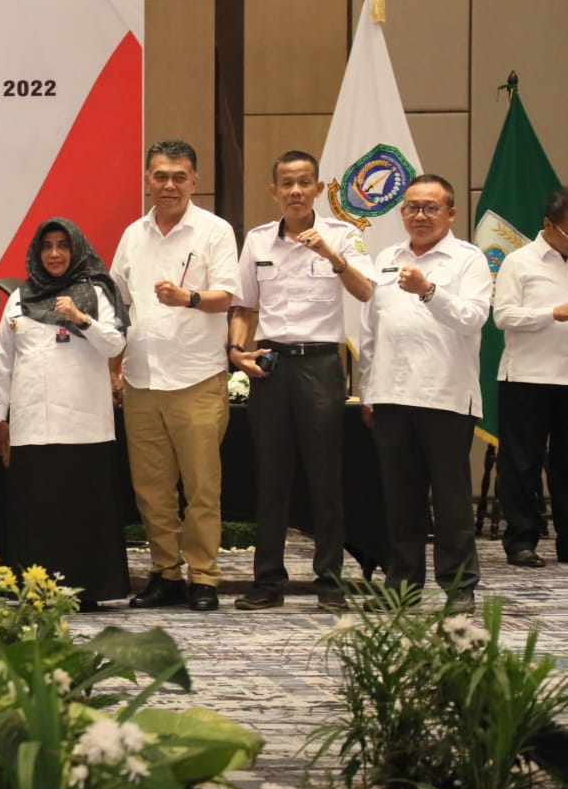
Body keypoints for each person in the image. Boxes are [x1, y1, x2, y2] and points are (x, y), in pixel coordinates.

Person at [227, 151, 372, 611]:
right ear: (274, 190)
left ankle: (330, 581)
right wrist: (236, 351)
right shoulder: (257, 240)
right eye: (287, 183)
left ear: (318, 188)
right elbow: (244, 307)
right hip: (270, 364)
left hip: (321, 365)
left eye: (304, 182)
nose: (295, 191)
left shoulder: (342, 235)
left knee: (325, 476)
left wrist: (330, 255)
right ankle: (268, 581)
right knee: (271, 476)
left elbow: (366, 291)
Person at [110, 139, 238, 612]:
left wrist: (189, 298)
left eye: (179, 177)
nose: (169, 185)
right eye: (160, 176)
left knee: (201, 488)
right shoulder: (133, 234)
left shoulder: (215, 231)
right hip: (142, 378)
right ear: (148, 179)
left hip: (196, 378)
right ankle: (165, 573)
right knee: (152, 489)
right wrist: (113, 368)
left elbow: (229, 296)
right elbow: (117, 304)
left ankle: (203, 577)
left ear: (194, 182)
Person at [359, 173, 489, 611]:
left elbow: (473, 318)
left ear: (451, 213)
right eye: (412, 207)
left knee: (452, 502)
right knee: (401, 501)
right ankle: (403, 586)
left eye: (431, 207)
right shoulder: (386, 258)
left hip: (445, 397)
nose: (420, 215)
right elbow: (371, 331)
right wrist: (368, 391)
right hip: (390, 396)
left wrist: (429, 291)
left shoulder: (468, 259)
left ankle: (459, 588)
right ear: (402, 213)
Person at [0, 218, 129, 610]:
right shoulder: (20, 297)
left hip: (84, 426)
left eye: (63, 245)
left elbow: (114, 344)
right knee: (39, 514)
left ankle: (89, 590)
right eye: (47, 246)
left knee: (82, 511)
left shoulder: (96, 292)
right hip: (32, 425)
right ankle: (37, 590)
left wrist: (81, 319)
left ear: (76, 249)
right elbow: (2, 362)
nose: (54, 254)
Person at [488, 187, 568, 568]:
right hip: (526, 377)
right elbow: (503, 316)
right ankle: (521, 540)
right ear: (549, 225)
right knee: (522, 464)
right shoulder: (519, 262)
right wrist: (552, 314)